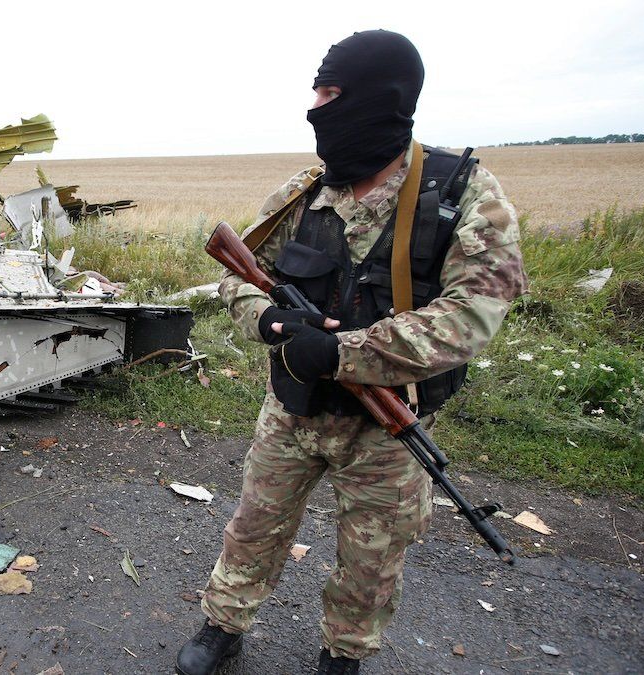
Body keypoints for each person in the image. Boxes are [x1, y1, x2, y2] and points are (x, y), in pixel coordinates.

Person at [175, 30, 527, 675]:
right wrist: (273, 323)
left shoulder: (464, 195)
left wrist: (342, 353)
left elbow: (474, 314)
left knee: (372, 558)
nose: (317, 108)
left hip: (388, 425)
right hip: (292, 409)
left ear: (382, 99)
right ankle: (223, 626)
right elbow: (238, 276)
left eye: (333, 94)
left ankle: (344, 655)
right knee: (255, 529)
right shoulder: (304, 191)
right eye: (316, 93)